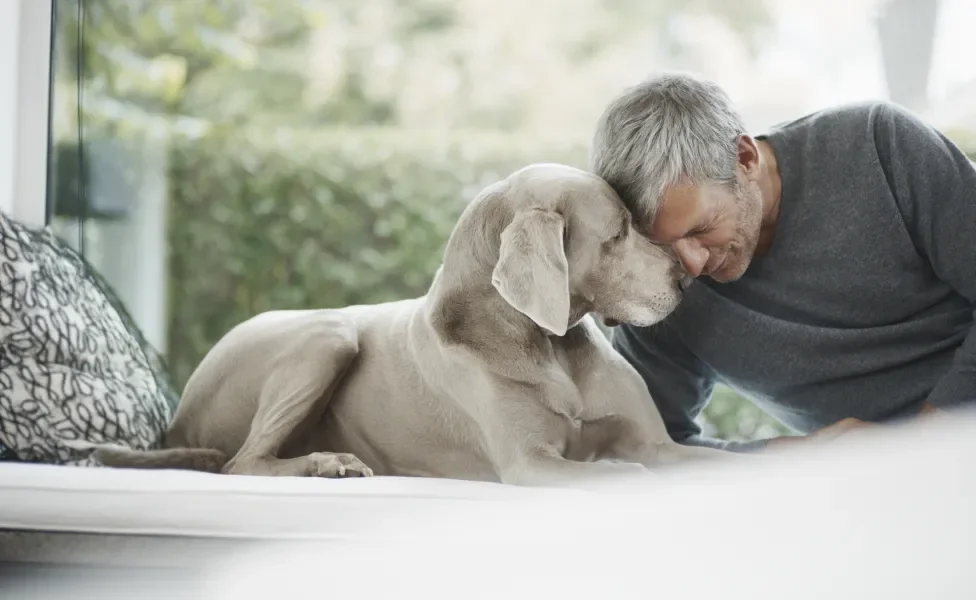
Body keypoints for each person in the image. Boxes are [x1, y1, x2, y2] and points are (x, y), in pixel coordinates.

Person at [588, 72, 976, 452]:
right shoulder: (656, 288)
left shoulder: (881, 146)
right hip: (872, 489)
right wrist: (792, 458)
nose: (689, 265)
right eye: (665, 245)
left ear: (744, 158)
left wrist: (924, 442)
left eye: (700, 228)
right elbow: (644, 446)